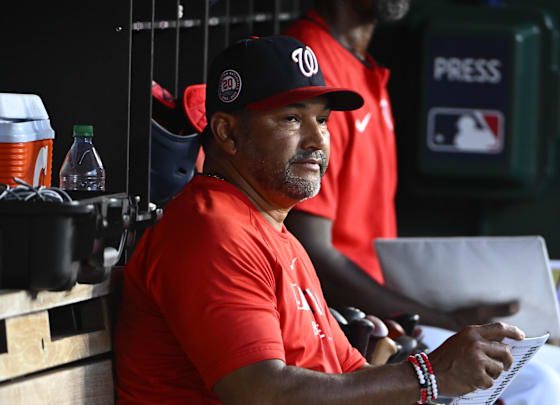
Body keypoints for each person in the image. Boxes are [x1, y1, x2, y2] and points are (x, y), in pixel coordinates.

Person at [114, 35, 526, 404]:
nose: (316, 140)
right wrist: (426, 376)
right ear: (227, 133)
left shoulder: (276, 233)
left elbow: (351, 375)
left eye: (323, 120)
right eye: (292, 118)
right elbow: (261, 392)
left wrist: (431, 386)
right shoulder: (211, 231)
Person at [283, 1, 560, 404]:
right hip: (350, 322)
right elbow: (312, 252)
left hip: (388, 302)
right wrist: (447, 321)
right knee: (538, 383)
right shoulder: (311, 62)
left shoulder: (361, 64)